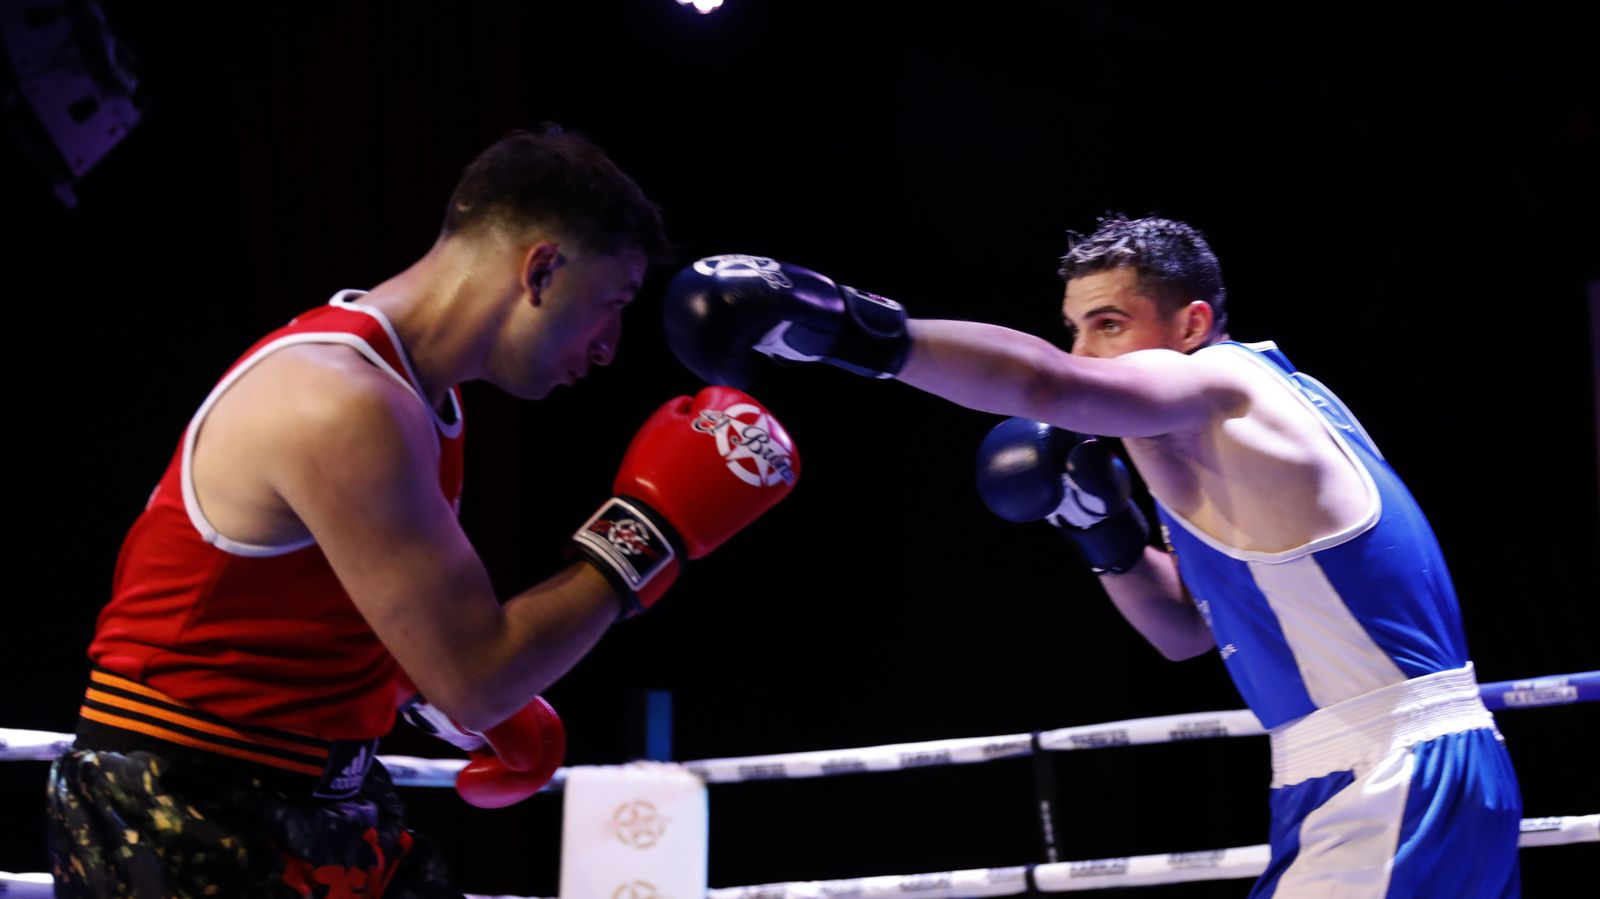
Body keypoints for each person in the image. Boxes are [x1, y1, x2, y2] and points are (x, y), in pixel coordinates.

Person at [659, 217, 1522, 897]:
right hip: (1381, 766)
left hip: (1390, 771)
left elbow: (1045, 382)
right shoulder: (1230, 431)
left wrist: (844, 327)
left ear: (1192, 324)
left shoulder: (1223, 383)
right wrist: (1100, 530)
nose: (1084, 354)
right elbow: (1185, 631)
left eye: (1109, 325)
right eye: (1073, 329)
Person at [48, 126, 800, 898]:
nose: (610, 346)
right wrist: (651, 527)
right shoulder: (339, 398)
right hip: (182, 798)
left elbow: (330, 617)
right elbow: (477, 675)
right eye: (613, 304)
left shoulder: (421, 403)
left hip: (313, 791)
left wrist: (432, 695)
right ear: (541, 269)